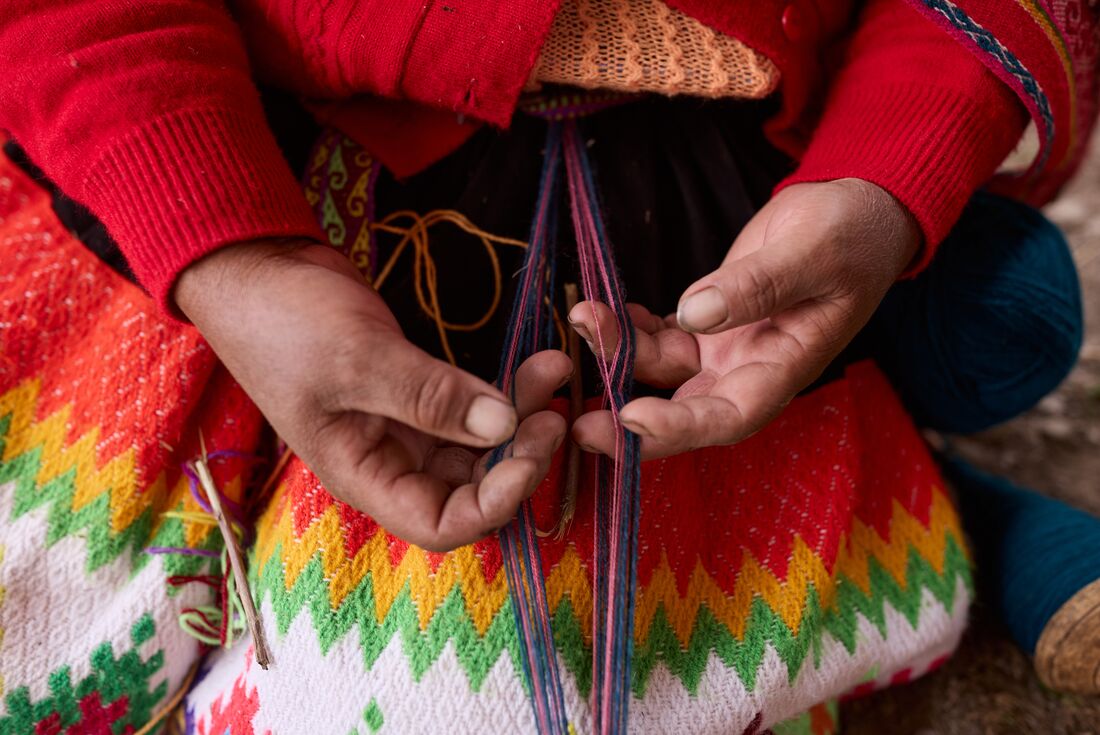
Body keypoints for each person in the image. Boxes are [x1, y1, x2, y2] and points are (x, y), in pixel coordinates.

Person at [0, 0, 1095, 732]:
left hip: (693, 185)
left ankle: (939, 492)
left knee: (443, 697)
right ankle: (958, 487)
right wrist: (231, 255)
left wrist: (892, 162)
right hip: (221, 138)